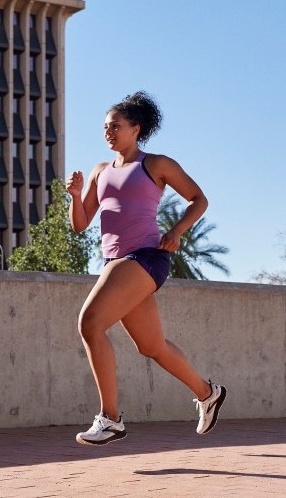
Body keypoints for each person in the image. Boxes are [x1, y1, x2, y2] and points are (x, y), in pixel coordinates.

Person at [66, 91, 226, 445]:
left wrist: (177, 231)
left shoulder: (156, 164)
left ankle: (110, 419)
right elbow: (80, 224)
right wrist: (76, 196)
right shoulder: (99, 171)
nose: (108, 132)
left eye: (115, 126)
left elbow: (200, 199)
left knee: (90, 324)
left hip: (145, 256)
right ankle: (208, 393)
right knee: (152, 346)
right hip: (117, 261)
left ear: (135, 129)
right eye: (105, 127)